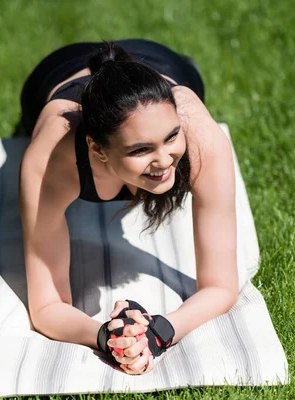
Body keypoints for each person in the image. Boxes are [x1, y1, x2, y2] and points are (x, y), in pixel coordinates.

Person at [18, 39, 238, 375]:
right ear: (97, 148)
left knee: (189, 76)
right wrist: (106, 336)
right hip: (57, 72)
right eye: (140, 150)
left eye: (171, 136)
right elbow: (47, 306)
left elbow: (221, 286)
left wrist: (158, 333)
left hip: (156, 60)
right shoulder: (51, 160)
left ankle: (185, 65)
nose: (164, 161)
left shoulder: (200, 135)